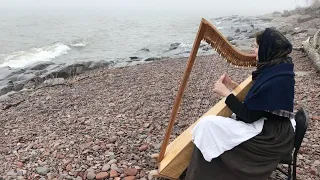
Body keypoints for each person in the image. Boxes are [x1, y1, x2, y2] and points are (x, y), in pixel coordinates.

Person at [185, 28, 296, 180]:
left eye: (256, 47)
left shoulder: (277, 78)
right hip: (272, 125)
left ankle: (202, 173)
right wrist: (232, 85)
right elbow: (258, 101)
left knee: (207, 124)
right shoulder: (277, 69)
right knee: (214, 125)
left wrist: (225, 93)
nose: (253, 50)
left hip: (271, 136)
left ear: (267, 49)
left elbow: (249, 116)